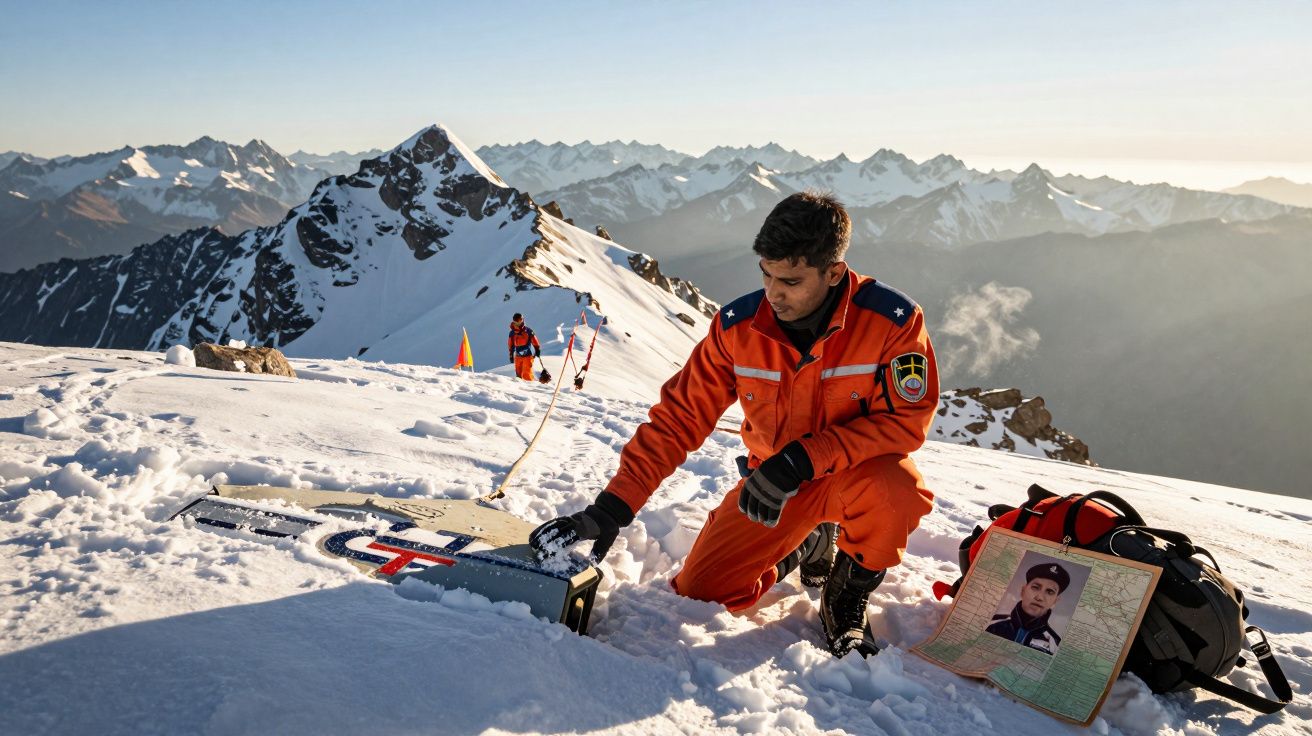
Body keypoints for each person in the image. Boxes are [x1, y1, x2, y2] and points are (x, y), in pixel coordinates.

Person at [529, 191, 938, 657]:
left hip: (853, 476)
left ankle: (846, 593)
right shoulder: (736, 328)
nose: (773, 293)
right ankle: (803, 547)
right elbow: (679, 418)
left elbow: (905, 421)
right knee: (701, 590)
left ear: (834, 273)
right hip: (774, 487)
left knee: (896, 489)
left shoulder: (892, 321)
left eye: (790, 280)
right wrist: (610, 509)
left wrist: (806, 458)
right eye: (765, 274)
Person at [985, 562, 1070, 655]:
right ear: (1023, 591)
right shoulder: (989, 622)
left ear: (1055, 601)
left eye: (1050, 592)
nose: (1039, 597)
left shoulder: (1055, 645)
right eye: (1035, 587)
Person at [508, 313, 541, 381]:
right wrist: (511, 354)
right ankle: (520, 389)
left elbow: (534, 340)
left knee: (527, 374)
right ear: (514, 321)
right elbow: (510, 344)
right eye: (517, 321)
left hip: (527, 356)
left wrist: (537, 349)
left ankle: (530, 388)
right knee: (518, 376)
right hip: (518, 356)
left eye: (520, 320)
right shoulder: (512, 333)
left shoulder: (528, 331)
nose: (519, 322)